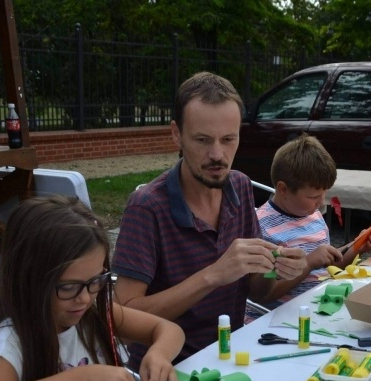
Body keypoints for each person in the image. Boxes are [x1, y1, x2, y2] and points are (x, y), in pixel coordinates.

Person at [111, 72, 307, 365]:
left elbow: (257, 290)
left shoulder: (240, 186)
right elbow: (123, 322)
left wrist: (277, 269)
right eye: (202, 140)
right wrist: (213, 275)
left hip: (232, 358)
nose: (217, 154)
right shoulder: (147, 207)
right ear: (176, 134)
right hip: (169, 371)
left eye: (228, 139)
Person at [0, 196, 184, 381]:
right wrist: (83, 377)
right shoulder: (10, 342)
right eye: (68, 287)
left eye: (96, 281)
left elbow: (168, 330)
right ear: (29, 279)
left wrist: (159, 355)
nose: (84, 298)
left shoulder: (92, 314)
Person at [256, 134, 371, 307]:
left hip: (321, 306)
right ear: (283, 189)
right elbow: (263, 295)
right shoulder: (262, 228)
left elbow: (327, 266)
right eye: (313, 197)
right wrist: (308, 263)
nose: (321, 202)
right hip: (283, 316)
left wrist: (357, 247)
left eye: (324, 194)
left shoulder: (312, 214)